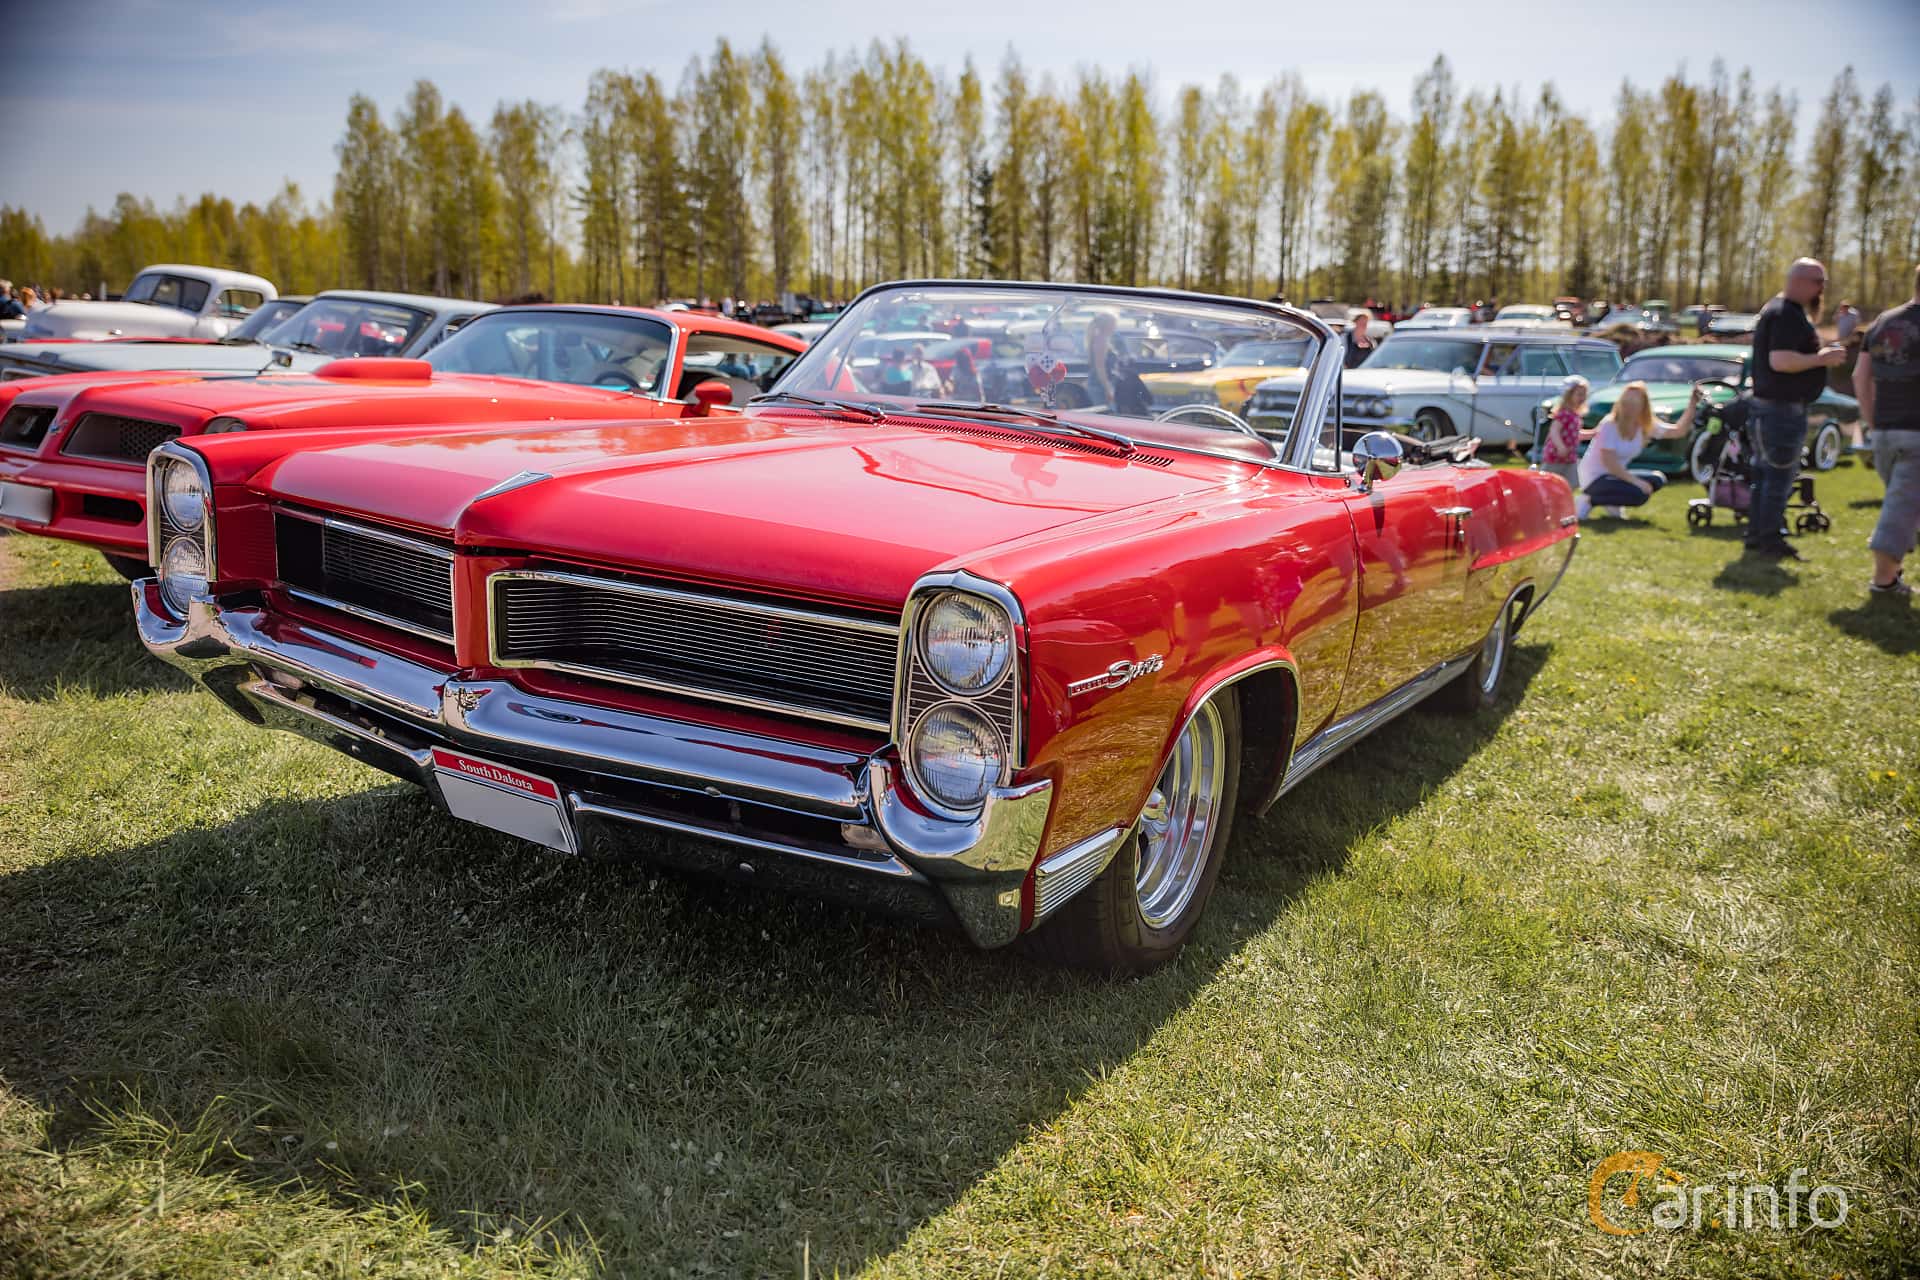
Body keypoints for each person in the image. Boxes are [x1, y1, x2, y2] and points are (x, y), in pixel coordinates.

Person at [1747, 259, 1848, 559]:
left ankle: (1758, 536)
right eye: (1820, 283)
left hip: (1773, 408)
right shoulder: (1785, 314)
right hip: (1780, 410)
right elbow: (1781, 361)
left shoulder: (1781, 311)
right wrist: (1821, 359)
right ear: (1802, 280)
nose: (1822, 290)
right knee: (1778, 477)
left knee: (1765, 476)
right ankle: (1769, 540)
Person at [1853, 264, 1920, 599]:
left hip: (1884, 433)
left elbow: (1859, 378)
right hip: (1916, 435)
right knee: (1900, 510)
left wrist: (1872, 421)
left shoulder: (1881, 323)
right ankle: (1883, 584)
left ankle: (1891, 573)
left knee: (1906, 505)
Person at [1574, 381, 1702, 520]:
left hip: (1615, 475)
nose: (1630, 404)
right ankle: (1588, 499)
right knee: (1639, 494)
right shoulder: (1609, 424)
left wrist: (1692, 403)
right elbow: (1609, 463)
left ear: (1643, 404)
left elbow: (1678, 431)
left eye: (1635, 400)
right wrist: (1636, 481)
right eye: (1627, 399)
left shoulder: (1644, 424)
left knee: (1657, 479)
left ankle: (1611, 501)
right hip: (1595, 477)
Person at [1537, 374, 1588, 490]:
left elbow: (1576, 434)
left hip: (1569, 456)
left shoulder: (1575, 415)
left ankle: (1560, 500)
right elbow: (1554, 431)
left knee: (1573, 482)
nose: (1582, 398)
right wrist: (1560, 446)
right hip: (1556, 456)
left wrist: (1593, 433)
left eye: (1584, 395)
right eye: (1579, 394)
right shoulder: (1564, 414)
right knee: (1547, 482)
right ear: (1569, 395)